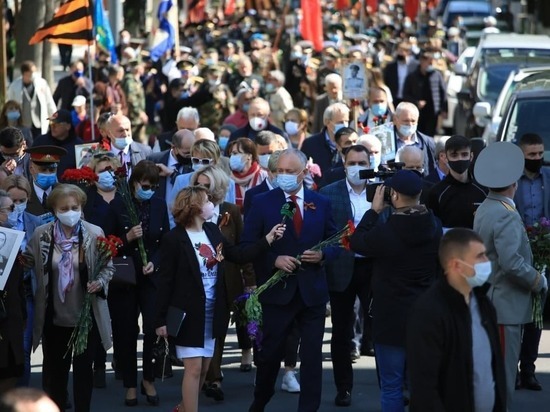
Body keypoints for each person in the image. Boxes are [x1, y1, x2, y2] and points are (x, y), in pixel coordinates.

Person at [155, 186, 283, 412]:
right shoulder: (174, 239)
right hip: (188, 313)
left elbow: (238, 255)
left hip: (213, 311)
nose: (211, 205)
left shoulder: (212, 230)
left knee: (205, 369)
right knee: (194, 369)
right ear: (194, 207)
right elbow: (164, 281)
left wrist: (267, 239)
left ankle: (183, 408)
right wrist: (160, 319)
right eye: (206, 201)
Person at [243, 148, 339, 412]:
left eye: (290, 171)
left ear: (304, 172)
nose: (283, 175)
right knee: (270, 355)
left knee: (312, 356)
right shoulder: (262, 202)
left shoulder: (321, 202)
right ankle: (259, 402)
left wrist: (322, 255)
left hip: (312, 293)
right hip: (277, 293)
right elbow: (248, 246)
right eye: (279, 171)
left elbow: (336, 242)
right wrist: (273, 259)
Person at [349, 170, 442, 412]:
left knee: (391, 385)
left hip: (390, 317)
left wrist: (373, 211)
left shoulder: (386, 232)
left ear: (395, 196)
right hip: (425, 315)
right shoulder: (434, 226)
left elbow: (357, 242)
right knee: (422, 384)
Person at [25, 184, 114, 412]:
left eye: (75, 207)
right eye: (64, 208)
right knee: (56, 374)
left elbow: (108, 267)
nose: (71, 212)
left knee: (83, 373)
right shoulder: (42, 234)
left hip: (86, 317)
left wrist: (99, 281)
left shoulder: (94, 233)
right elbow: (28, 262)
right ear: (54, 210)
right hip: (55, 318)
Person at [473, 142, 548, 409]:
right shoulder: (505, 214)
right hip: (505, 307)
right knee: (503, 377)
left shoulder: (487, 206)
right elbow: (512, 263)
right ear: (513, 183)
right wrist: (538, 280)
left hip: (493, 300)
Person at [407, 228, 506, 412]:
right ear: (456, 265)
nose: (487, 261)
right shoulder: (429, 312)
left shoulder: (484, 304)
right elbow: (425, 389)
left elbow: (494, 369)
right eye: (480, 256)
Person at [188, 166, 252, 399]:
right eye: (198, 184)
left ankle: (212, 378)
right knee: (202, 331)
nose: (202, 189)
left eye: (207, 185)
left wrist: (250, 281)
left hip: (227, 280)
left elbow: (242, 247)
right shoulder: (189, 211)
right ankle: (209, 377)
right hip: (198, 282)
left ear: (217, 187)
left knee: (218, 331)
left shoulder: (230, 211)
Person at [109, 160, 169, 407]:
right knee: (126, 331)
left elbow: (165, 240)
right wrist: (127, 237)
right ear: (134, 183)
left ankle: (148, 379)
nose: (149, 191)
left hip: (151, 276)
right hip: (125, 277)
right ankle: (130, 384)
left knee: (154, 328)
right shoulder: (118, 204)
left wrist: (155, 262)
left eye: (154, 187)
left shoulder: (159, 204)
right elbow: (107, 242)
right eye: (145, 186)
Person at [320, 145, 373, 407]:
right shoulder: (329, 193)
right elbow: (325, 233)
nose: (357, 167)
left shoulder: (381, 192)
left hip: (373, 267)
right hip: (341, 268)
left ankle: (393, 386)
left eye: (362, 162)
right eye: (352, 163)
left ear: (370, 164)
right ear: (344, 165)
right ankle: (344, 388)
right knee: (341, 331)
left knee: (381, 328)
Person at [82, 152, 121, 388]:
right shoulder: (87, 198)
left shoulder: (124, 196)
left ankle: (121, 360)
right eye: (102, 170)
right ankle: (98, 364)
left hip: (122, 264)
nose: (107, 174)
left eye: (110, 169)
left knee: (122, 317)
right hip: (95, 262)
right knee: (97, 316)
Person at [514, 133, 550, 390]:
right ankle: (512, 368)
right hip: (516, 254)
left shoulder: (548, 179)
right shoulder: (511, 181)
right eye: (532, 154)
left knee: (536, 317)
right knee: (516, 315)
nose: (537, 158)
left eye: (540, 153)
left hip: (543, 255)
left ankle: (528, 369)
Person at [1, 176, 42, 388]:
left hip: (23, 295)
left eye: (20, 201)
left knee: (21, 350)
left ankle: (21, 397)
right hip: (4, 299)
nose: (15, 207)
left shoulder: (35, 223)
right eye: (11, 204)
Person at [169, 139, 237, 227]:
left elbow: (230, 212)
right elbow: (172, 211)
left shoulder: (228, 183)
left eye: (205, 161)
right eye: (196, 160)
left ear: (215, 161)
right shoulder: (181, 180)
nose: (200, 164)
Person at [427, 135, 487, 229]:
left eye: (464, 154)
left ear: (471, 156)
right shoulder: (436, 193)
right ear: (446, 158)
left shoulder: (483, 190)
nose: (460, 159)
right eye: (454, 155)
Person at [0, 190, 25, 394]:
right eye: (10, 208)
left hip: (12, 316)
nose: (14, 211)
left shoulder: (11, 239)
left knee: (12, 370)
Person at [301, 102, 350, 188]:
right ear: (327, 122)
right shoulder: (310, 144)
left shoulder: (352, 143)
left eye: (346, 121)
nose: (345, 125)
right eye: (340, 122)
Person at [403, 49, 447, 137]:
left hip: (433, 112)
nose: (431, 64)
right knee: (418, 135)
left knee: (430, 135)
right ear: (422, 61)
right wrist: (416, 102)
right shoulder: (412, 77)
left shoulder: (437, 75)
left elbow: (443, 92)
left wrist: (444, 109)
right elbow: (406, 94)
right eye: (429, 62)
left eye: (432, 62)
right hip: (417, 112)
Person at [6, 61, 57, 137]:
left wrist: (54, 116)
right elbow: (10, 104)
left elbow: (49, 101)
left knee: (39, 142)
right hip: (22, 123)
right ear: (25, 73)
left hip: (38, 123)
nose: (34, 74)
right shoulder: (14, 86)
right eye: (32, 72)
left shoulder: (42, 83)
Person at [23, 146, 68, 225]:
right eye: (43, 170)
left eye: (52, 170)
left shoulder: (66, 192)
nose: (48, 173)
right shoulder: (23, 194)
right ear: (31, 169)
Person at [147, 129, 195, 202]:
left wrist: (173, 174)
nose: (190, 156)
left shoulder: (196, 162)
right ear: (173, 147)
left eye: (192, 152)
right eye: (186, 153)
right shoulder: (154, 159)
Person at [32, 110, 84, 177]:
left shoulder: (78, 145)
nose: (53, 126)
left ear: (68, 126)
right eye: (51, 123)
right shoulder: (41, 142)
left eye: (57, 124)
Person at [391, 102, 436, 177]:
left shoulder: (428, 143)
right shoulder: (386, 142)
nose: (410, 124)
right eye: (406, 121)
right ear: (395, 119)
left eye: (413, 121)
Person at [227, 138, 268, 210]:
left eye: (235, 153)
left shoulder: (263, 176)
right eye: (231, 155)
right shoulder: (228, 180)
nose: (232, 157)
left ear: (249, 155)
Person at [383, 42, 418, 106]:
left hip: (409, 100)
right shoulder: (390, 66)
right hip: (393, 99)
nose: (400, 53)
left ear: (408, 52)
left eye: (402, 51)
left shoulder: (415, 66)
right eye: (399, 51)